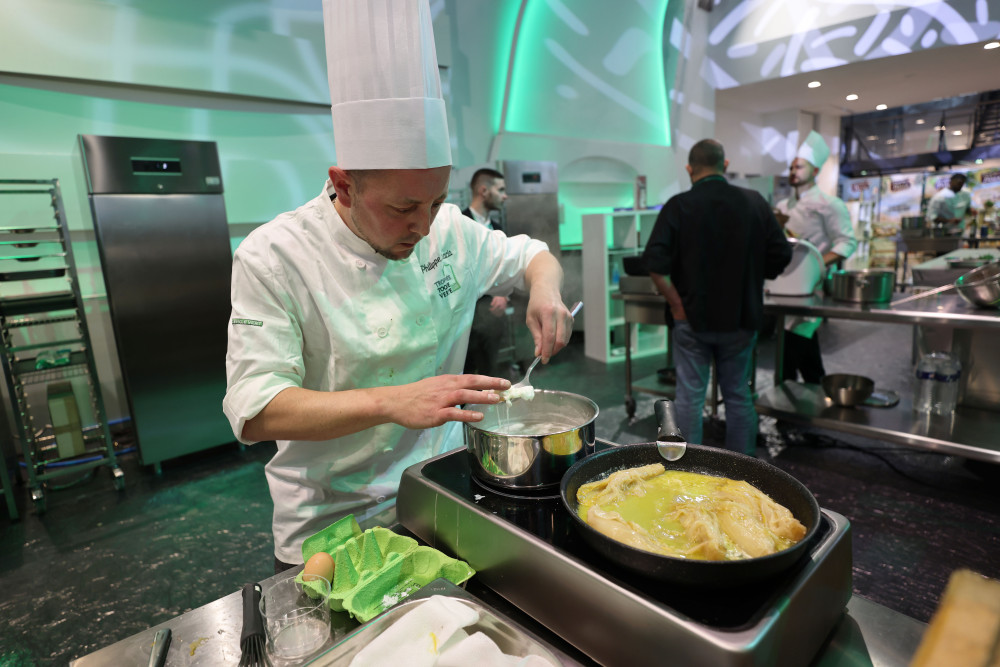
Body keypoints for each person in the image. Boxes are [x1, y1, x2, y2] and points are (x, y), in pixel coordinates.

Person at [224, 0, 575, 573]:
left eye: (435, 202)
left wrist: (545, 290)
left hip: (440, 495)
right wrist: (394, 401)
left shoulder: (448, 231)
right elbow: (257, 409)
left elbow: (533, 256)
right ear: (343, 184)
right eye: (403, 207)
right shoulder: (275, 255)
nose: (423, 224)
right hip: (331, 521)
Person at [642, 139, 792, 455]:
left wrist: (676, 304)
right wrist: (750, 276)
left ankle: (689, 472)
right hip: (741, 318)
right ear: (724, 165)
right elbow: (781, 254)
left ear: (689, 169)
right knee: (738, 395)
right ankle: (740, 472)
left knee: (690, 398)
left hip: (691, 319)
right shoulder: (754, 202)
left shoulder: (678, 205)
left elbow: (654, 263)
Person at [774, 130, 857, 384]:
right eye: (791, 167)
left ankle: (789, 407)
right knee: (798, 349)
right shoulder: (782, 206)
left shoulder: (830, 204)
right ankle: (814, 396)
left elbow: (847, 242)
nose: (793, 171)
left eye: (799, 167)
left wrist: (817, 262)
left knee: (794, 344)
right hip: (783, 286)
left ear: (815, 171)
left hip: (812, 288)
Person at [462, 168, 511, 376]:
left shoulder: (498, 228)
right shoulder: (459, 224)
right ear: (484, 190)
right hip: (466, 319)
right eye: (500, 189)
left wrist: (503, 293)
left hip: (493, 316)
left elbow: (505, 266)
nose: (505, 195)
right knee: (465, 376)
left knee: (490, 373)